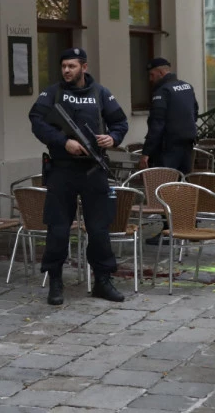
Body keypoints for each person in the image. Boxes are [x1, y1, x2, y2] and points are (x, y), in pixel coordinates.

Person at [29, 47, 128, 306]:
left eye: (71, 66)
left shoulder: (100, 93)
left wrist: (113, 138)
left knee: (99, 228)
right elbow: (37, 120)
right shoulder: (52, 93)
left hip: (93, 169)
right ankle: (55, 281)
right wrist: (63, 142)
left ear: (84, 67)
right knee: (58, 228)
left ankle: (103, 280)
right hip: (62, 169)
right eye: (63, 66)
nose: (66, 70)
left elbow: (120, 122)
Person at [139, 57, 199, 173]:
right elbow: (195, 113)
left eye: (152, 75)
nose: (150, 79)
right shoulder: (187, 87)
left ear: (160, 73)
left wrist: (146, 152)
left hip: (168, 148)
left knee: (165, 182)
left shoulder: (163, 91)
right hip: (187, 144)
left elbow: (157, 124)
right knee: (183, 180)